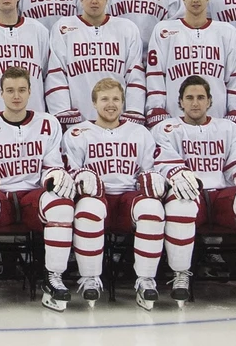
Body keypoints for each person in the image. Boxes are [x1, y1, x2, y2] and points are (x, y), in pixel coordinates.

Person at [151, 76, 236, 310]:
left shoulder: (228, 128)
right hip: (191, 194)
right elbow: (160, 162)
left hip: (222, 193)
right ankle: (181, 273)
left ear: (209, 101)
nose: (195, 103)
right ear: (180, 102)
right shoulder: (165, 129)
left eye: (200, 98)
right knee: (179, 205)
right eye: (189, 98)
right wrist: (176, 172)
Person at [0, 67, 73, 311]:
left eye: (22, 90)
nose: (16, 96)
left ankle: (54, 277)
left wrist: (56, 175)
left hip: (33, 195)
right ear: (1, 93)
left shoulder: (48, 123)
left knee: (60, 204)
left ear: (30, 92)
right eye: (10, 90)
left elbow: (52, 166)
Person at [61, 78, 163, 309]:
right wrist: (81, 177)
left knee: (152, 208)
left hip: (129, 195)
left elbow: (150, 169)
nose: (111, 104)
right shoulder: (77, 133)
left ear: (123, 103)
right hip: (95, 196)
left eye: (116, 99)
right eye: (104, 99)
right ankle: (89, 278)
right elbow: (70, 169)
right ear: (94, 103)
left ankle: (146, 279)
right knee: (89, 208)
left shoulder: (139, 132)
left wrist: (150, 179)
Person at [145, 0, 236, 129]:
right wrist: (156, 107)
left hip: (217, 118)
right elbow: (156, 74)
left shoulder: (226, 32)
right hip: (174, 119)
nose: (195, 0)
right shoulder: (164, 30)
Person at [45, 0, 145, 128]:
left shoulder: (127, 28)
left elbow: (135, 74)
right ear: (80, 0)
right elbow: (56, 73)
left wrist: (133, 111)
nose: (94, 1)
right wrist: (63, 112)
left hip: (117, 119)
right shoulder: (63, 28)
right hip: (78, 120)